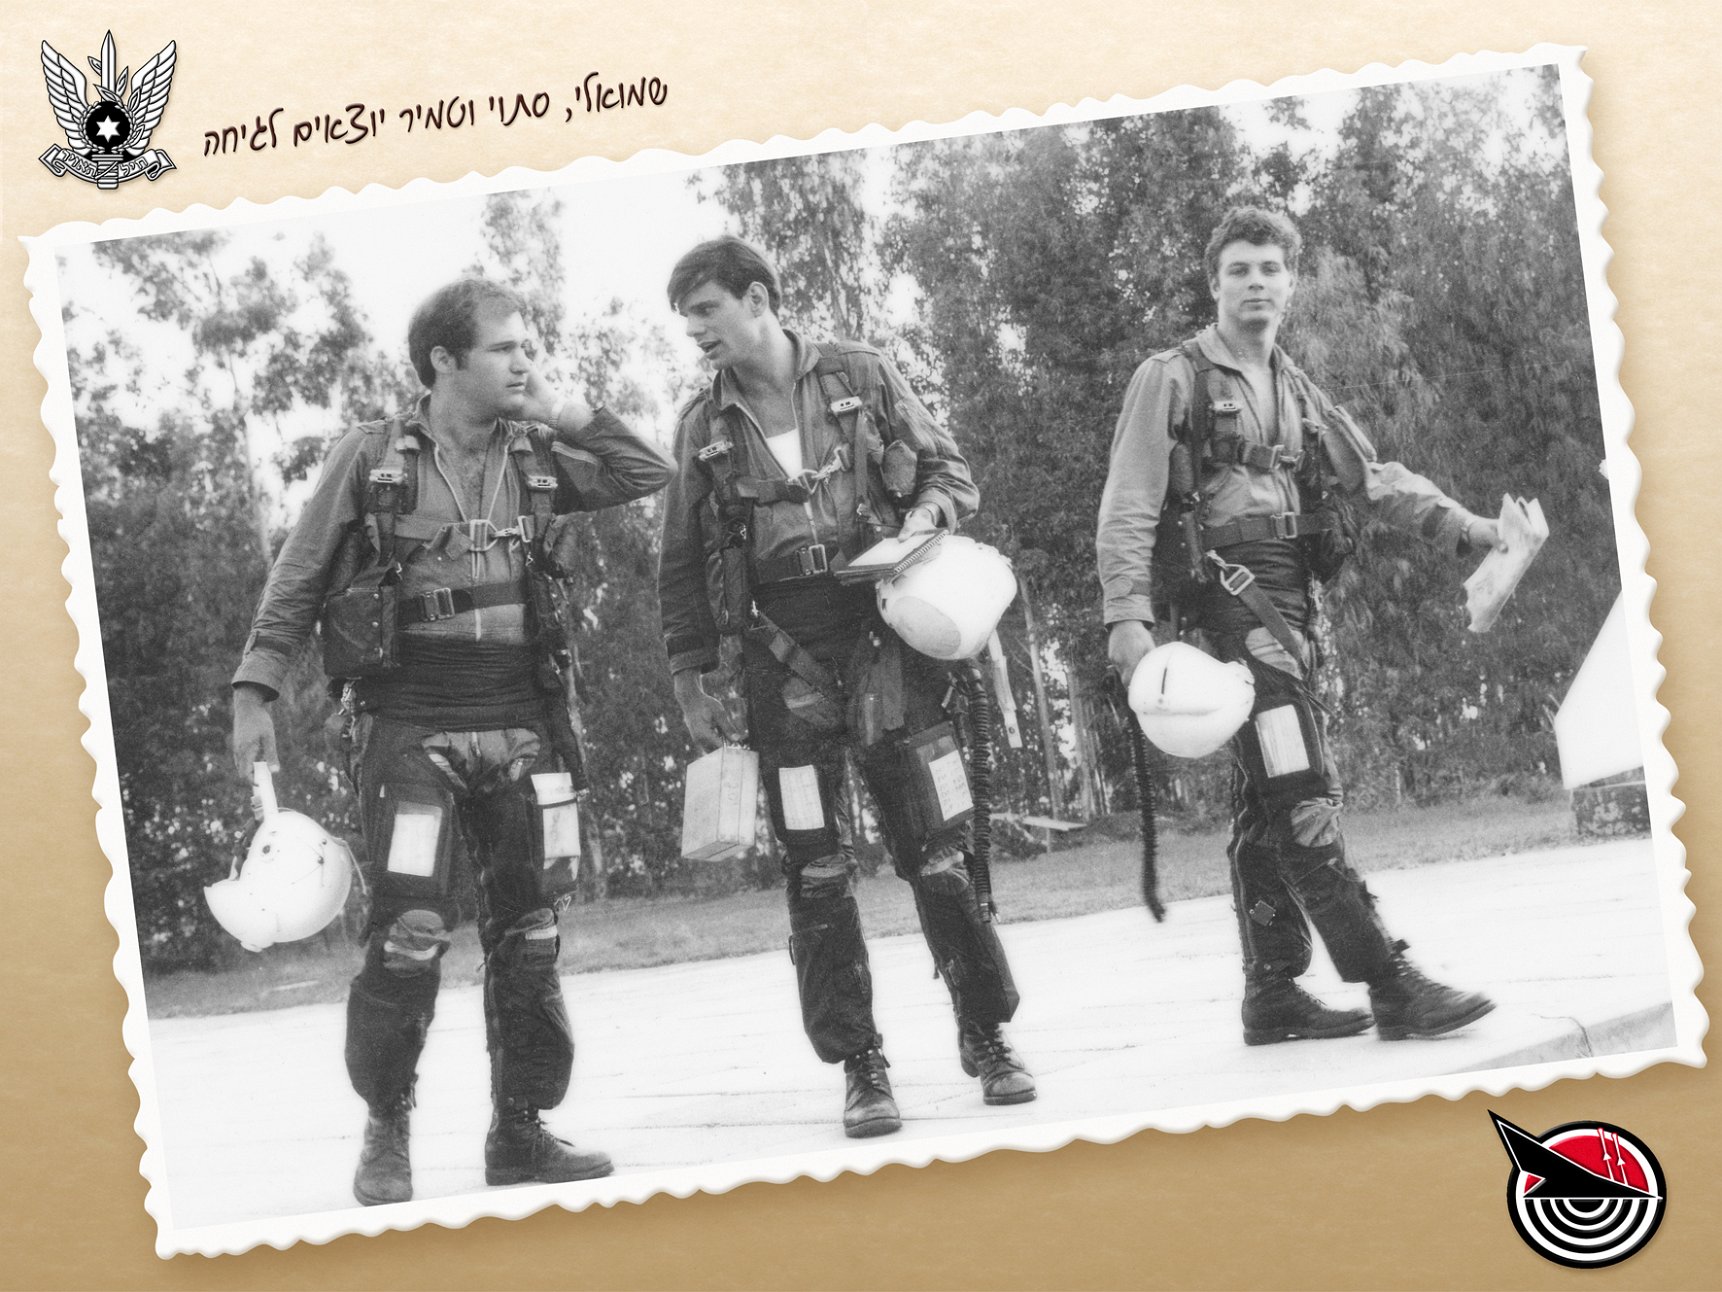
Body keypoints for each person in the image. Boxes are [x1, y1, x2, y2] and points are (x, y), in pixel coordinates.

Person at [230, 278, 673, 1205]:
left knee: (532, 931)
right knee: (410, 934)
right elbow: (299, 575)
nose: (525, 362)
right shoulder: (370, 457)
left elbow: (647, 470)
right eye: (507, 348)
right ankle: (387, 1130)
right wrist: (254, 689)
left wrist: (564, 408)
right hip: (411, 723)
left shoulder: (542, 452)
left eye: (529, 348)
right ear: (444, 360)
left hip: (524, 720)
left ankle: (520, 1133)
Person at [656, 236, 1034, 1137]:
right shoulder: (702, 426)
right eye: (686, 319)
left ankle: (987, 1036)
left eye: (706, 311)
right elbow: (678, 560)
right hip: (779, 657)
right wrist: (689, 676)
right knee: (817, 870)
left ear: (757, 299)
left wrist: (926, 517)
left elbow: (950, 473)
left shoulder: (861, 374)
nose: (695, 332)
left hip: (888, 639)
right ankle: (861, 1066)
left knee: (941, 851)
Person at [1097, 206, 1501, 1047]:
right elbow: (1129, 504)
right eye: (1239, 269)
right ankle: (1390, 983)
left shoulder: (1297, 387)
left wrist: (1470, 527)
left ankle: (1272, 993)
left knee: (1264, 803)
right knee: (1303, 793)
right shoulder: (1170, 377)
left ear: (1290, 283)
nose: (1256, 283)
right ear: (1215, 284)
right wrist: (1126, 616)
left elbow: (1375, 480)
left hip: (1289, 602)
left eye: (1270, 268)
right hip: (1229, 603)